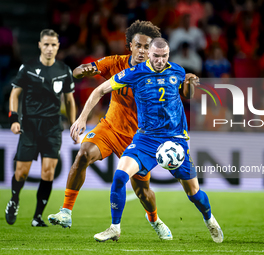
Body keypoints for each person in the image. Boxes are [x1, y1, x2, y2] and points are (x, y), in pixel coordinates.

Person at [48, 20, 196, 240]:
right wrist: (83, 71)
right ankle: (66, 211)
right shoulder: (115, 63)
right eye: (139, 46)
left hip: (140, 138)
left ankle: (154, 219)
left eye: (148, 47)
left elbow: (185, 95)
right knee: (84, 153)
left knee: (143, 192)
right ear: (130, 46)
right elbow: (79, 72)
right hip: (110, 128)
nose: (143, 51)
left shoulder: (161, 70)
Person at [69, 38, 223, 243]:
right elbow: (100, 90)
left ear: (169, 55)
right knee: (120, 176)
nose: (160, 61)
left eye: (164, 56)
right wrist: (83, 117)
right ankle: (115, 227)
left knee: (194, 193)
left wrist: (189, 84)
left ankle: (210, 219)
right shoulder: (135, 72)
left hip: (175, 140)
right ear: (149, 54)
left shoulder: (177, 71)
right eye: (156, 56)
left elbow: (186, 95)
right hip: (146, 139)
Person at [5, 29, 76, 227]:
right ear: (39, 45)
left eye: (53, 45)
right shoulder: (27, 68)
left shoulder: (64, 70)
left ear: (58, 47)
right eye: (46, 44)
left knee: (48, 172)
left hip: (52, 127)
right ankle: (14, 200)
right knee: (22, 172)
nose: (49, 48)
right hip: (30, 125)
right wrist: (14, 119)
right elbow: (14, 94)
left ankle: (37, 217)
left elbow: (69, 101)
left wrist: (73, 125)